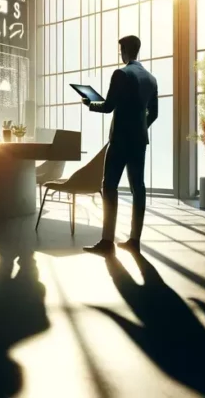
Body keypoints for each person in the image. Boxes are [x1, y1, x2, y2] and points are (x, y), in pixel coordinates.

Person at [81, 35, 158, 255]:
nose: (120, 54)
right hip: (139, 141)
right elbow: (154, 113)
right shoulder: (151, 79)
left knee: (110, 186)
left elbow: (107, 107)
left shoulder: (121, 74)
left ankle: (107, 241)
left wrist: (89, 103)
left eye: (121, 50)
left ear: (124, 50)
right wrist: (140, 128)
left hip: (120, 141)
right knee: (138, 188)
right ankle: (135, 240)